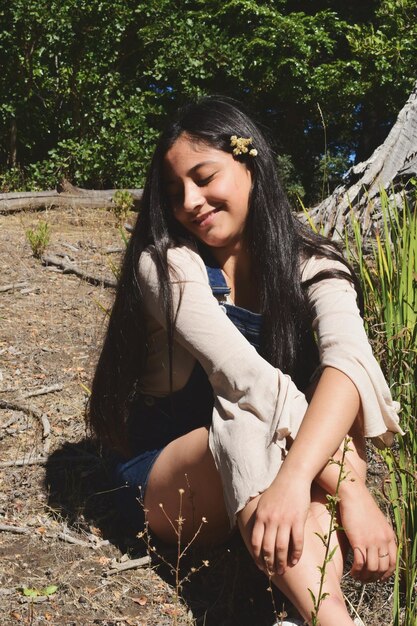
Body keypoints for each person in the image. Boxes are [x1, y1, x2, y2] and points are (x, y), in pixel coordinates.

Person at [87, 97, 402, 626]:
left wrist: (298, 477)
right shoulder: (166, 265)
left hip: (272, 461)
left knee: (329, 408)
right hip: (171, 471)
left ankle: (312, 616)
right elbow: (245, 378)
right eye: (173, 193)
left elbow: (351, 364)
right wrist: (353, 491)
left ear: (250, 163)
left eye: (205, 177)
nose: (190, 201)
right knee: (245, 422)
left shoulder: (312, 261)